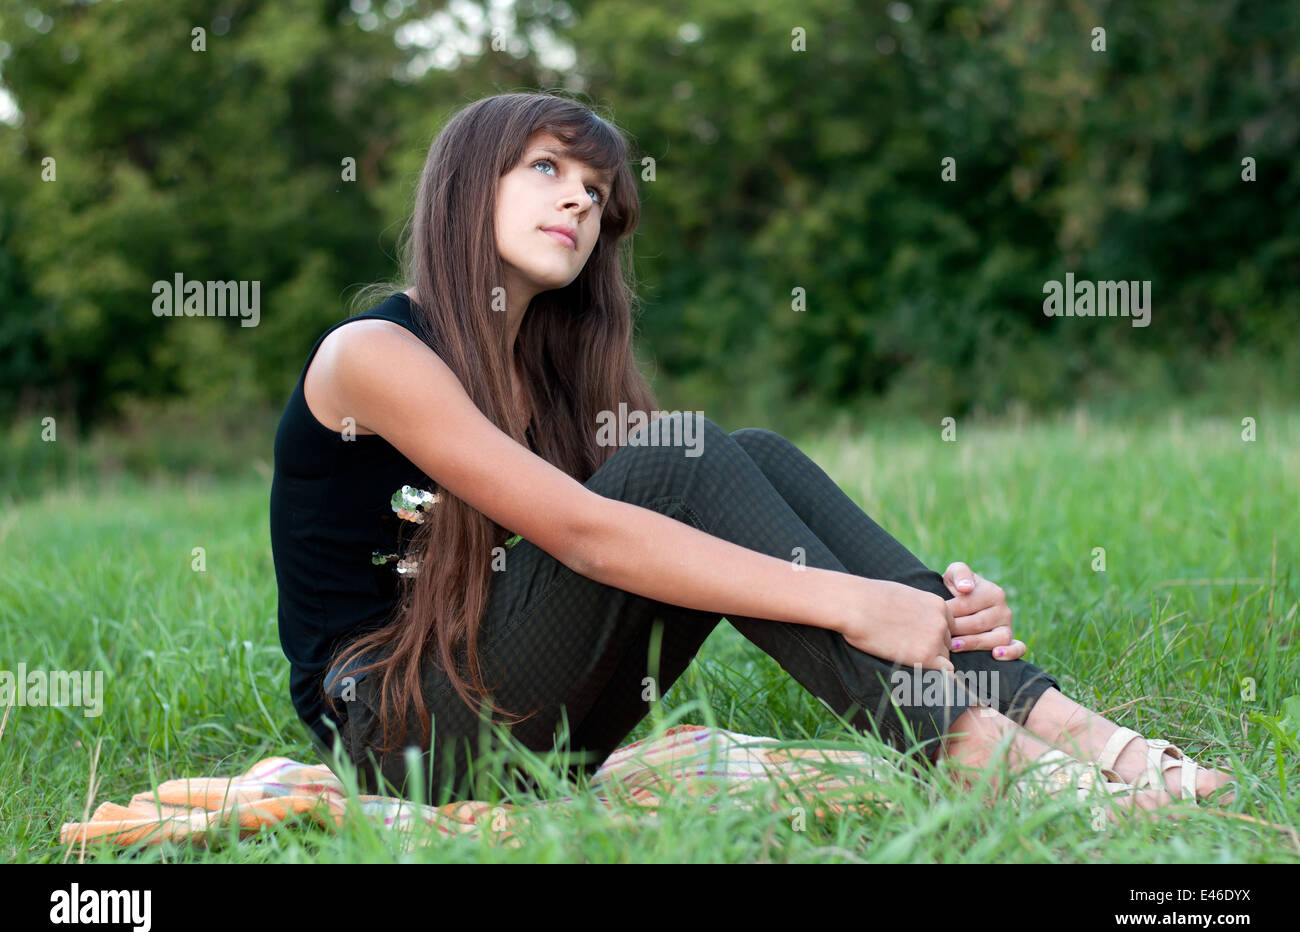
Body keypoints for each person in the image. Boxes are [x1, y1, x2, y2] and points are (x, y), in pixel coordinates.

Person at [268, 92, 1234, 815]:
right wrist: (859, 601)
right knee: (681, 460)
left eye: (598, 191)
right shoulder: (376, 354)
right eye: (548, 170)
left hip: (530, 729)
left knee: (748, 450)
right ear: (467, 182)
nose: (580, 204)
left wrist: (933, 612)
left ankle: (1053, 722)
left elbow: (631, 542)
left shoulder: (552, 379)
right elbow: (588, 535)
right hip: (398, 738)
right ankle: (979, 748)